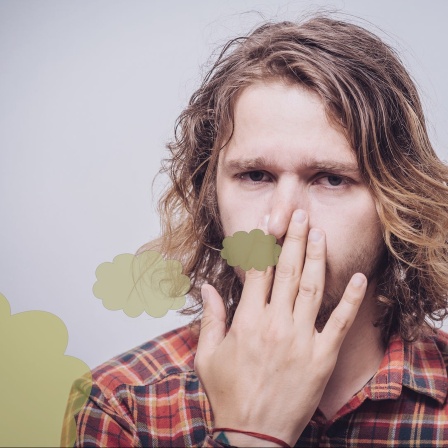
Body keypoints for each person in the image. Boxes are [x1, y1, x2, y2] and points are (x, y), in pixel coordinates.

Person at [69, 15, 448, 447]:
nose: (280, 222)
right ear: (211, 197)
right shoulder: (125, 407)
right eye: (255, 176)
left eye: (331, 178)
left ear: (399, 200)